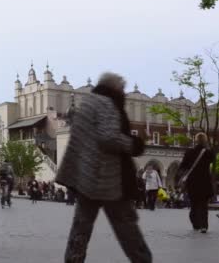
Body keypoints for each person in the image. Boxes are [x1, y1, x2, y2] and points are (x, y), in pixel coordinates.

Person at [56, 72, 152, 263]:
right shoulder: (107, 104)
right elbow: (108, 137)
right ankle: (143, 260)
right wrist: (134, 144)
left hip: (86, 179)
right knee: (127, 228)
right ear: (116, 88)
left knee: (81, 228)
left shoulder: (87, 104)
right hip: (109, 179)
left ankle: (73, 260)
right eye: (122, 89)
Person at [176, 132, 213, 233]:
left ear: (196, 140)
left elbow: (182, 166)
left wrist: (182, 176)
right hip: (205, 182)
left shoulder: (189, 152)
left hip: (192, 183)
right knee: (203, 206)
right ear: (205, 140)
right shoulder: (208, 152)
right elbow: (213, 160)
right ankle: (204, 226)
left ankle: (196, 224)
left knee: (194, 204)